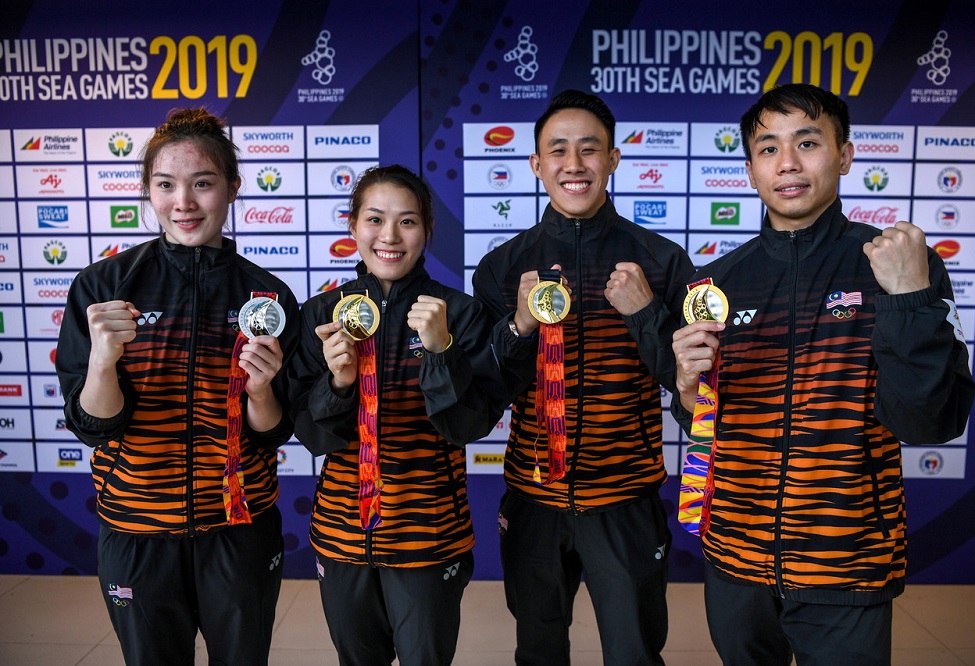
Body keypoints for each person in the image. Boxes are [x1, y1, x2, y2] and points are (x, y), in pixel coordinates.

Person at [670, 83, 975, 666]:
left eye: (807, 142)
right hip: (734, 561)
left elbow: (931, 420)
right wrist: (689, 396)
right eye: (768, 148)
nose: (787, 163)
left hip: (847, 562)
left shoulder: (898, 263)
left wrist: (908, 299)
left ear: (845, 155)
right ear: (750, 170)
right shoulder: (714, 283)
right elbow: (708, 424)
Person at [55, 108, 300, 666]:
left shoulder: (267, 297)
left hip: (238, 532)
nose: (183, 202)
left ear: (234, 188)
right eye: (166, 185)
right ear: (147, 190)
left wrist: (261, 392)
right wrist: (102, 363)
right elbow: (93, 426)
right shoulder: (103, 288)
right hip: (137, 532)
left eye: (203, 183)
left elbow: (275, 432)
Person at [472, 89, 695, 665]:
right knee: (539, 649)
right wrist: (518, 326)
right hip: (533, 499)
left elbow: (691, 387)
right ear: (537, 164)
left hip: (625, 501)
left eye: (589, 150)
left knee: (635, 652)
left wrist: (645, 313)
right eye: (558, 151)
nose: (574, 165)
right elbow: (486, 390)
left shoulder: (662, 261)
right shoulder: (501, 267)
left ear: (614, 159)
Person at [287, 165, 505, 665]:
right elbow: (312, 436)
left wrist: (440, 350)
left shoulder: (459, 313)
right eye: (375, 219)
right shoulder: (322, 314)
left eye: (407, 222)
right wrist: (339, 382)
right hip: (342, 533)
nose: (389, 236)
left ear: (428, 230)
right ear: (353, 227)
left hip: (429, 534)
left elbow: (468, 426)